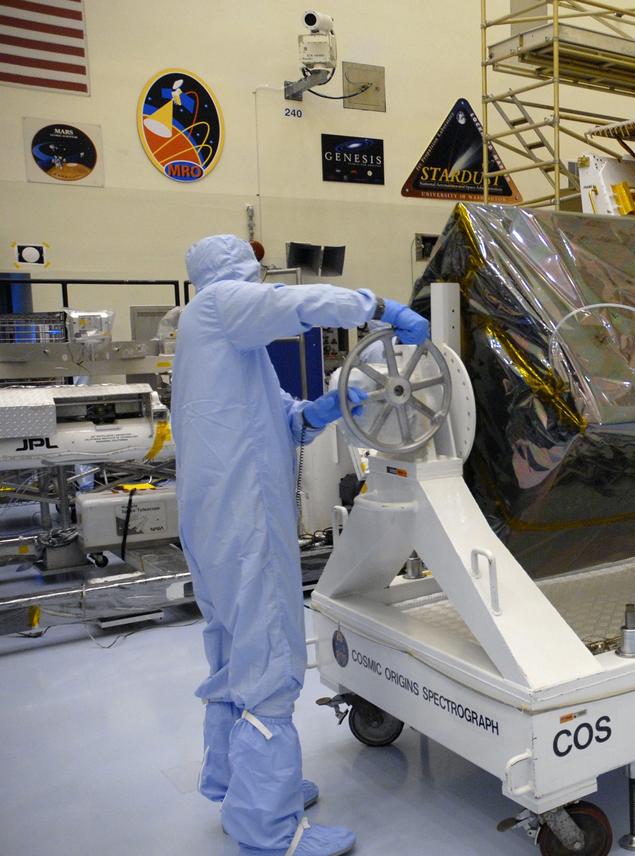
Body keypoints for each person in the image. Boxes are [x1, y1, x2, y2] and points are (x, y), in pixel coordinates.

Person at [174, 234, 429, 855]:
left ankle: (238, 783)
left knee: (235, 652)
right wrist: (381, 309)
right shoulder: (218, 308)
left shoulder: (220, 343)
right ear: (236, 274)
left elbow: (277, 419)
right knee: (269, 659)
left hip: (216, 525)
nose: (259, 282)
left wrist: (324, 410)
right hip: (245, 524)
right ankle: (270, 828)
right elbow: (302, 305)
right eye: (253, 273)